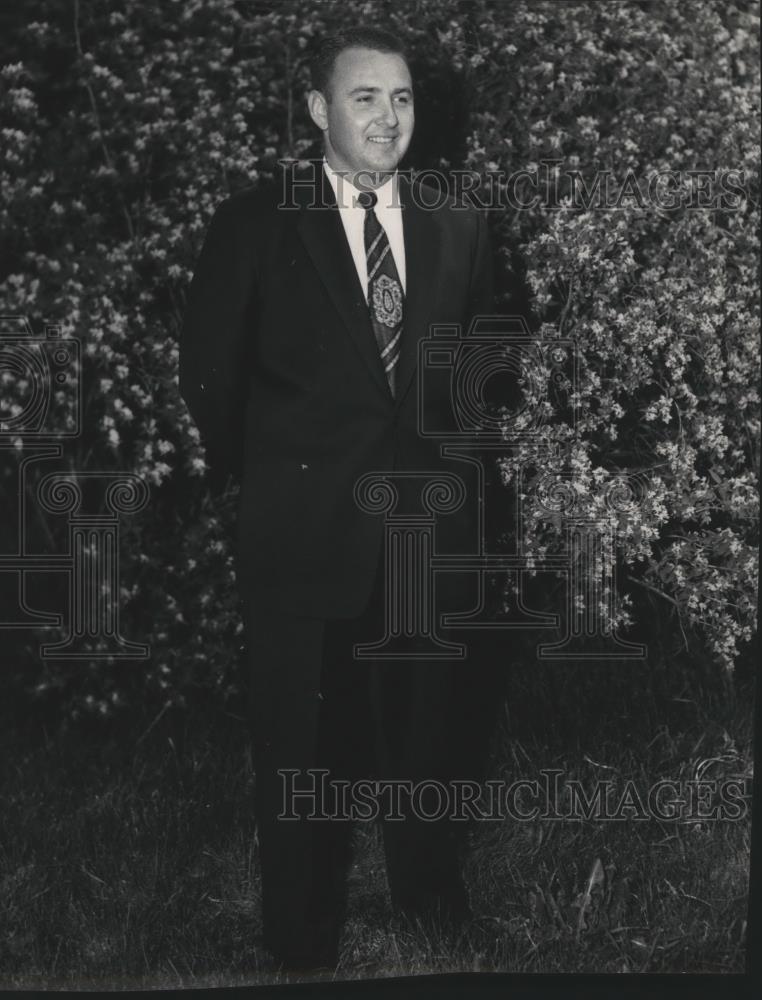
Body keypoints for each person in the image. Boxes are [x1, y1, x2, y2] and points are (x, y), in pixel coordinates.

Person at [179, 26, 495, 972]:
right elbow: (212, 378)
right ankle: (300, 936)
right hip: (300, 528)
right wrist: (274, 479)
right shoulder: (254, 225)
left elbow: (469, 378)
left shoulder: (460, 222)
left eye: (401, 99)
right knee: (299, 750)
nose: (388, 118)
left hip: (422, 535)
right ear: (320, 110)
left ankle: (432, 913)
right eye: (365, 98)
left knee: (426, 735)